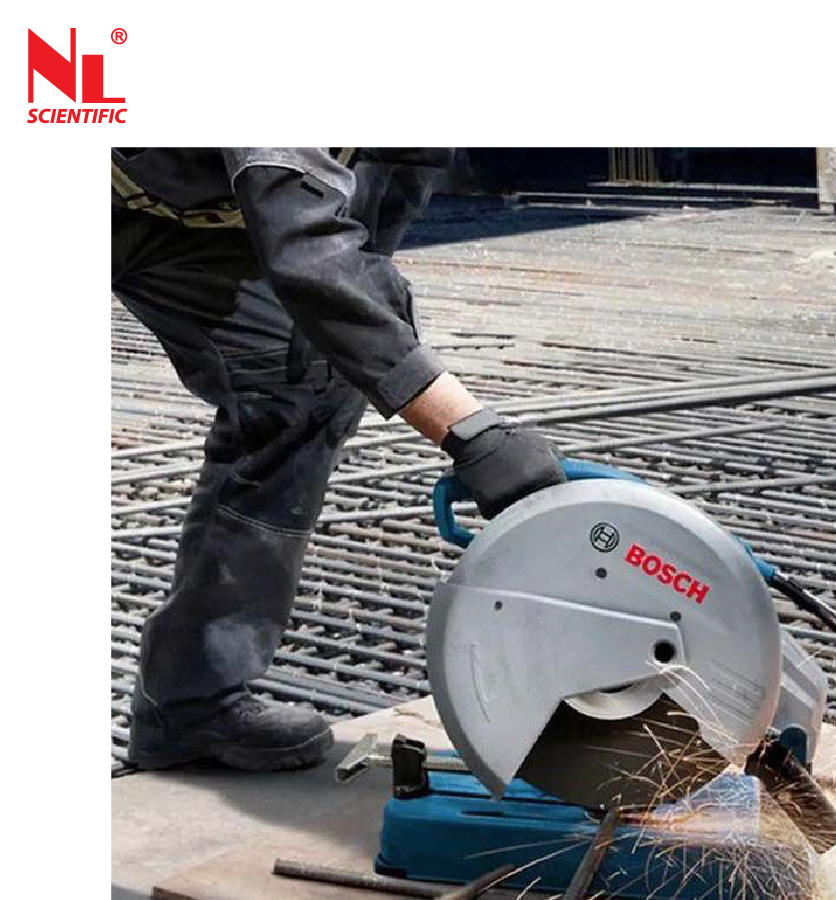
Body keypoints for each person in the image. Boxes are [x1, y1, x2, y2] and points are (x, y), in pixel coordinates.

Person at [111, 147, 564, 771]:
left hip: (174, 215)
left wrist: (379, 339)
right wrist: (470, 431)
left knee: (307, 380)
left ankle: (189, 701)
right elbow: (305, 251)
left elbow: (362, 243)